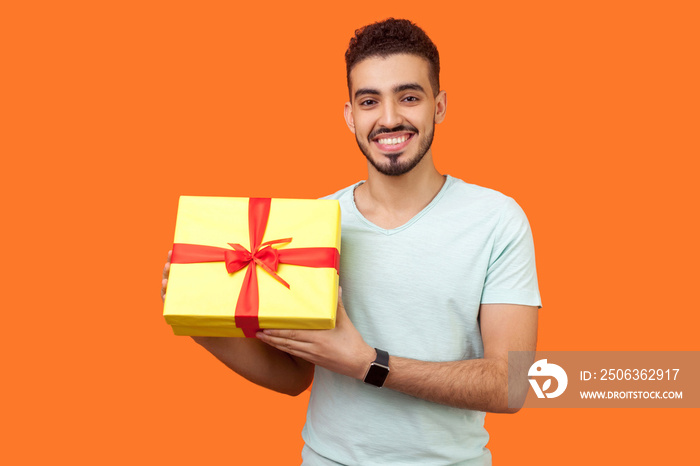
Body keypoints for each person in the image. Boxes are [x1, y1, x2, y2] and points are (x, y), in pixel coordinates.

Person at [162, 18, 541, 465]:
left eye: (409, 97)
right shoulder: (312, 227)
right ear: (350, 115)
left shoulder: (496, 220)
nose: (389, 118)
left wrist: (367, 362)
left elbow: (511, 384)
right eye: (369, 101)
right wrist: (201, 325)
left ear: (438, 106)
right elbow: (294, 376)